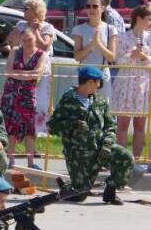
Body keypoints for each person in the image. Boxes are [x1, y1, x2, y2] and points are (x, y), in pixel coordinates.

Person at [46, 65, 135, 204]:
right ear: (89, 82)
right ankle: (67, 187)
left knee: (126, 158)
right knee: (79, 195)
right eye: (98, 82)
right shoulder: (69, 99)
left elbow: (110, 126)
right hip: (79, 154)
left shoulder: (100, 101)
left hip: (100, 149)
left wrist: (107, 144)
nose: (99, 85)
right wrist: (72, 125)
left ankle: (110, 190)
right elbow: (52, 126)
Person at [7, 0, 55, 133]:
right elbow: (11, 42)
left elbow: (44, 47)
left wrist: (36, 31)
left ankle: (38, 134)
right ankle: (19, 133)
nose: (24, 10)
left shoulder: (47, 27)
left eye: (26, 8)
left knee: (40, 103)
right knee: (21, 102)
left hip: (40, 70)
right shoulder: (21, 25)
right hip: (22, 69)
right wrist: (24, 31)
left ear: (35, 10)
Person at [0, 28, 47, 169]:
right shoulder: (15, 51)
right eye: (24, 40)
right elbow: (7, 71)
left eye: (30, 39)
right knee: (11, 128)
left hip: (28, 95)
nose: (27, 43)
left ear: (35, 39)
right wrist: (26, 74)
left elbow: (37, 73)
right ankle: (11, 161)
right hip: (11, 94)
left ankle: (31, 162)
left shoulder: (41, 54)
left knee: (29, 129)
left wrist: (17, 73)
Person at [111, 5, 151, 160]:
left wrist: (145, 57)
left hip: (143, 84)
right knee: (122, 125)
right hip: (125, 84)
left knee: (140, 125)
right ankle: (122, 161)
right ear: (138, 19)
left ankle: (135, 160)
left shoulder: (150, 38)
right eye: (148, 19)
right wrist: (131, 56)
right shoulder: (122, 37)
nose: (150, 22)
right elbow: (116, 61)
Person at [72, 0, 117, 96]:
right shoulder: (79, 29)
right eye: (88, 6)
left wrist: (99, 44)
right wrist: (91, 45)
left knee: (102, 107)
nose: (91, 9)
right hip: (84, 75)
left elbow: (112, 57)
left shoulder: (110, 29)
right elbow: (77, 56)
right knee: (82, 106)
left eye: (95, 6)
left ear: (103, 8)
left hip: (102, 75)